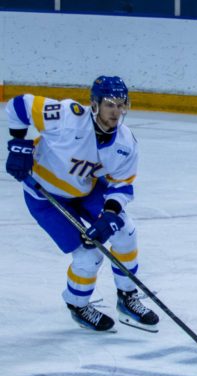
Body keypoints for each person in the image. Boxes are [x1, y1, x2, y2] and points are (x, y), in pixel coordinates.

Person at [4, 76, 159, 332]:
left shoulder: (125, 143)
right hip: (45, 198)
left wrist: (109, 215)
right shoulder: (66, 117)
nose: (117, 112)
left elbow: (122, 185)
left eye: (122, 105)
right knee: (88, 256)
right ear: (94, 104)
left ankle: (127, 296)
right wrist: (18, 144)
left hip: (86, 190)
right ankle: (78, 305)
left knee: (124, 230)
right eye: (110, 104)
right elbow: (19, 105)